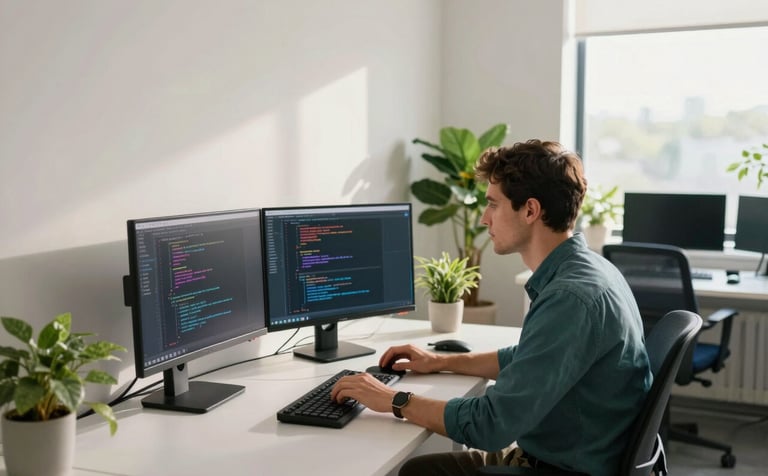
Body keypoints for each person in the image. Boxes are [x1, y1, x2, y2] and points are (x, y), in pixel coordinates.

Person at [330, 139, 652, 476]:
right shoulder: (588, 271)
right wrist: (438, 361)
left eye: (493, 205)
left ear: (530, 211)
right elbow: (528, 359)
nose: (484, 219)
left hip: (560, 468)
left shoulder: (570, 297)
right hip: (570, 453)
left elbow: (491, 425)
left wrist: (394, 400)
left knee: (417, 472)